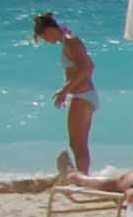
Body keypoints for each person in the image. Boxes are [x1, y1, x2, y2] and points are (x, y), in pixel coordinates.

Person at [32, 14, 98, 174]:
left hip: (82, 95)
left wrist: (65, 90)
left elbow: (87, 67)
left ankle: (83, 179)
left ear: (49, 31)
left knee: (78, 144)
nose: (46, 41)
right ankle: (84, 177)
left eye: (43, 37)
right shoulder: (68, 40)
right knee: (78, 144)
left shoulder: (70, 41)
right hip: (84, 95)